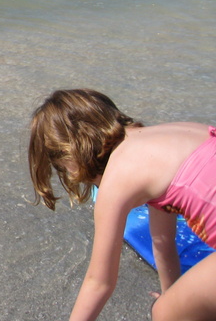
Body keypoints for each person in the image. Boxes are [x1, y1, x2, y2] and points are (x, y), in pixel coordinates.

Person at [28, 88, 216, 321]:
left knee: (164, 313)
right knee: (171, 306)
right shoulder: (156, 141)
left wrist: (170, 308)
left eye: (63, 167)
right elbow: (163, 241)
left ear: (70, 155)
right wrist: (173, 295)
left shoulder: (115, 181)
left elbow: (100, 282)